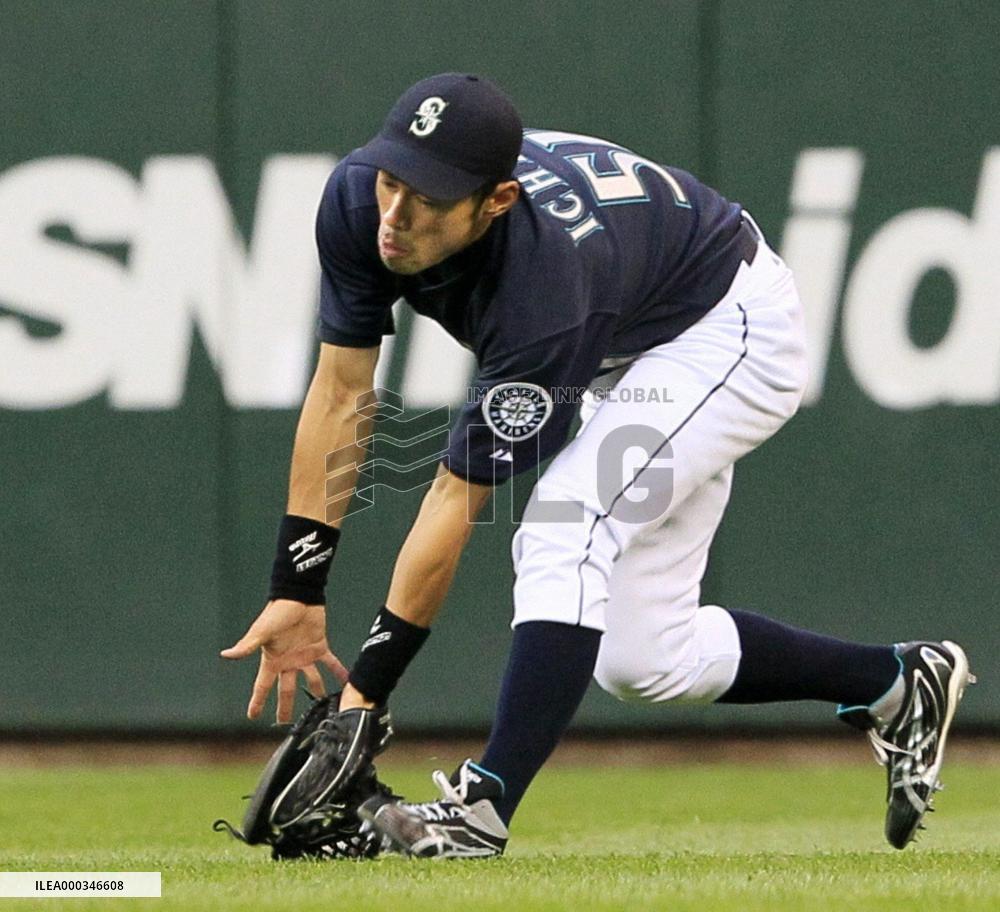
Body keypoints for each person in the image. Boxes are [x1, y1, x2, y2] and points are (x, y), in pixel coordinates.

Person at [221, 73, 975, 858]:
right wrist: (297, 588)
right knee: (648, 661)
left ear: (498, 201)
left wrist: (363, 696)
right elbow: (342, 393)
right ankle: (895, 684)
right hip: (637, 325)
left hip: (726, 330)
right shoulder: (355, 201)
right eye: (390, 180)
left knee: (564, 521)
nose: (396, 215)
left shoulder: (542, 292)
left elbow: (454, 496)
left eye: (429, 199)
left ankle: (483, 810)